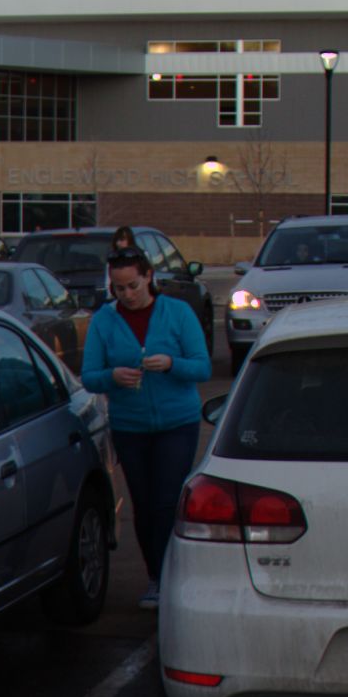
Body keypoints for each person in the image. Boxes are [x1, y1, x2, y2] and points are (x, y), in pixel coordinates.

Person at [81, 247, 210, 610]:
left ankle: (173, 576)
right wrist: (113, 376)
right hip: (131, 425)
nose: (127, 295)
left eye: (133, 286)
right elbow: (89, 376)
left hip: (176, 422)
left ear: (149, 277)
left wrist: (171, 363)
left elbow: (201, 367)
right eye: (118, 288)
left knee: (167, 501)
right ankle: (155, 576)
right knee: (144, 504)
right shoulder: (105, 321)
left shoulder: (177, 313)